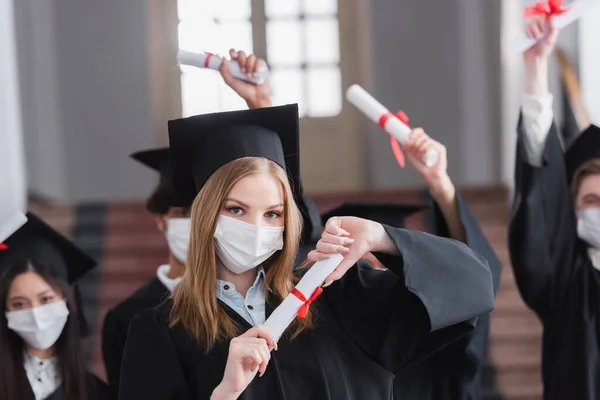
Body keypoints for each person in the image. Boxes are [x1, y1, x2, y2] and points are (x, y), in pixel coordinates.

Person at [118, 103, 495, 399]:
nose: (255, 227)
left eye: (272, 213)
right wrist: (225, 393)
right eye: (235, 210)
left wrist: (380, 237)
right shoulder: (161, 331)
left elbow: (473, 286)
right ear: (205, 216)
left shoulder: (339, 296)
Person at [509, 15, 600, 399]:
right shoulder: (565, 278)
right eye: (591, 200)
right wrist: (535, 66)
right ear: (573, 212)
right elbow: (540, 201)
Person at [393, 132, 502, 399]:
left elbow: (475, 278)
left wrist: (440, 185)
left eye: (385, 261)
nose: (373, 273)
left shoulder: (436, 340)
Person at [101, 148, 191, 397]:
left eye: (204, 212)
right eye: (183, 213)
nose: (195, 223)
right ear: (161, 219)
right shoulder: (126, 318)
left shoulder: (235, 301)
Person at [0, 212, 112, 400]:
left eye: (45, 299)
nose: (35, 313)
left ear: (67, 300)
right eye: (19, 304)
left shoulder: (96, 393)